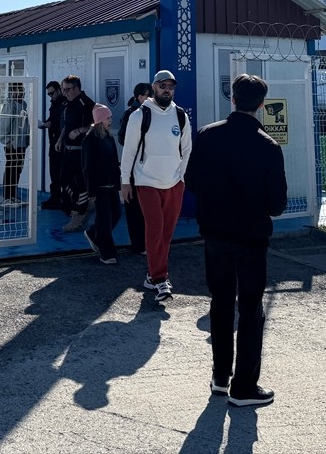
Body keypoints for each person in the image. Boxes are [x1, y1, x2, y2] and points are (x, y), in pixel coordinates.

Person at [184, 73, 286, 409]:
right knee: (251, 309)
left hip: (215, 233)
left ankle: (219, 376)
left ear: (232, 99)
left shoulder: (208, 136)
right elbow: (277, 204)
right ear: (260, 104)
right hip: (251, 237)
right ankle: (244, 386)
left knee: (221, 302)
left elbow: (192, 181)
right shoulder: (267, 145)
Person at [120, 69, 192, 303]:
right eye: (162, 85)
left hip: (173, 183)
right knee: (154, 229)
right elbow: (129, 151)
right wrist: (125, 182)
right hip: (146, 181)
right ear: (153, 87)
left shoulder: (180, 116)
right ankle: (161, 279)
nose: (167, 89)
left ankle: (151, 276)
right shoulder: (140, 116)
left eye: (170, 86)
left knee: (167, 233)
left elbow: (187, 148)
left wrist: (181, 177)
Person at [82, 103, 122, 264]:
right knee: (105, 220)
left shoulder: (109, 137)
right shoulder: (90, 140)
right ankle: (107, 253)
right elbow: (87, 167)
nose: (110, 120)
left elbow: (114, 161)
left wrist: (118, 182)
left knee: (116, 214)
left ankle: (92, 233)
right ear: (100, 120)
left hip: (111, 184)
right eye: (108, 117)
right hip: (99, 187)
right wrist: (91, 191)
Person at [57, 75, 96, 232]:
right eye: (63, 90)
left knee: (81, 185)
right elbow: (67, 124)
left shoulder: (86, 103)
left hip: (82, 152)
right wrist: (60, 139)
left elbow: (97, 125)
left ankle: (80, 214)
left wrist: (80, 130)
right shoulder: (68, 103)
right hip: (68, 150)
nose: (65, 93)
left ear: (76, 88)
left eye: (67, 90)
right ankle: (84, 204)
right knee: (63, 180)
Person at [117, 82, 152, 255]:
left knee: (146, 208)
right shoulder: (132, 114)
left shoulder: (153, 113)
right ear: (139, 97)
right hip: (133, 167)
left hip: (148, 168)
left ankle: (146, 243)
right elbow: (123, 139)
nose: (150, 98)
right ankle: (139, 244)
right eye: (147, 95)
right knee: (134, 209)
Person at [0, 83, 30, 205]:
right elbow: (4, 125)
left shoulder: (23, 105)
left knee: (18, 169)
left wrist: (27, 139)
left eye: (22, 90)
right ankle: (7, 197)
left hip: (21, 143)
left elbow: (25, 124)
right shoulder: (10, 105)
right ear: (12, 92)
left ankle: (13, 195)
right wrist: (7, 140)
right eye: (18, 90)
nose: (21, 93)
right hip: (12, 143)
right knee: (11, 168)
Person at [38, 81, 67, 210]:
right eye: (48, 94)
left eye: (52, 93)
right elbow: (52, 118)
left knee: (63, 173)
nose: (51, 96)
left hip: (61, 143)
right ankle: (55, 197)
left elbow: (63, 122)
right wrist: (44, 124)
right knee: (54, 172)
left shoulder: (64, 103)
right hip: (53, 141)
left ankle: (63, 199)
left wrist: (50, 124)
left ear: (59, 90)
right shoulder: (55, 104)